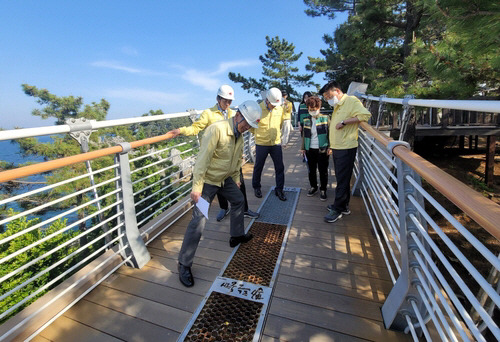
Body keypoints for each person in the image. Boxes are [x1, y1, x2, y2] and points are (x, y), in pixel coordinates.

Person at [177, 100, 262, 287]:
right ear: (238, 114)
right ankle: (184, 263)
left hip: (225, 179)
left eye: (250, 125)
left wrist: (236, 178)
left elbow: (236, 159)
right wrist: (197, 187)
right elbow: (202, 160)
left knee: (239, 200)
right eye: (246, 122)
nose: (247, 127)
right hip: (207, 182)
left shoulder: (239, 134)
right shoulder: (217, 129)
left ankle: (237, 235)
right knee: (199, 220)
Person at [168, 85, 259, 222]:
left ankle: (244, 210)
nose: (227, 104)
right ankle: (224, 208)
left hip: (232, 158)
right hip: (216, 160)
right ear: (218, 99)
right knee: (216, 189)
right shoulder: (209, 113)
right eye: (225, 101)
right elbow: (196, 128)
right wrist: (181, 130)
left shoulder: (233, 114)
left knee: (239, 185)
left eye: (230, 101)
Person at [319, 81, 371, 223]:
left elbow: (365, 115)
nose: (327, 99)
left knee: (342, 179)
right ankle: (344, 206)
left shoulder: (351, 101)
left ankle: (338, 209)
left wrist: (344, 122)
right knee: (342, 178)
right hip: (338, 147)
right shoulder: (338, 105)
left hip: (346, 147)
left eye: (328, 95)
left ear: (337, 91)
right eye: (325, 97)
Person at [251, 87, 287, 201]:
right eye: (272, 104)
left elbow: (280, 124)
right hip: (261, 143)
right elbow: (252, 126)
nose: (274, 106)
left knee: (279, 167)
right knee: (259, 166)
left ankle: (279, 189)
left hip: (275, 142)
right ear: (267, 100)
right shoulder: (257, 109)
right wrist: (259, 134)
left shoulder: (279, 109)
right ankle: (256, 187)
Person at [300, 96, 330, 201]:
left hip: (322, 149)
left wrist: (330, 147)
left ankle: (323, 189)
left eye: (314, 109)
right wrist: (303, 148)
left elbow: (330, 134)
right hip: (310, 149)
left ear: (319, 107)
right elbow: (304, 135)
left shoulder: (325, 118)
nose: (312, 111)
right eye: (310, 109)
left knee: (323, 170)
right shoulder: (306, 120)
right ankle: (313, 187)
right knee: (311, 170)